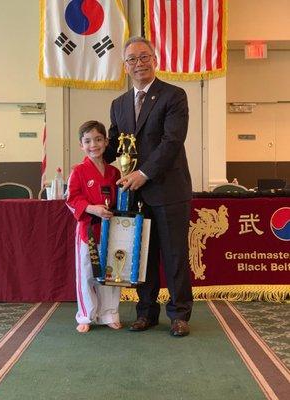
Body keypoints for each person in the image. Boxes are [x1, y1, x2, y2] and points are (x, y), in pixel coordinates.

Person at [105, 36, 193, 337]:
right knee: (142, 254)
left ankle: (180, 315)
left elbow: (172, 142)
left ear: (155, 60)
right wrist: (90, 150)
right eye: (132, 59)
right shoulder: (118, 104)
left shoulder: (173, 96)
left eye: (144, 57)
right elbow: (114, 145)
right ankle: (146, 313)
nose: (139, 63)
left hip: (169, 190)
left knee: (174, 255)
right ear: (125, 66)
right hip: (135, 195)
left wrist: (143, 173)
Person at [67, 120, 122, 333]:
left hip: (110, 230)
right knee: (87, 273)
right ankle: (86, 315)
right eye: (88, 141)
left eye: (98, 139)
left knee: (109, 273)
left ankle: (109, 313)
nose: (94, 145)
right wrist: (92, 208)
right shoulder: (79, 171)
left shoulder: (114, 172)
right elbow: (71, 199)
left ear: (106, 142)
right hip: (88, 230)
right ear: (81, 145)